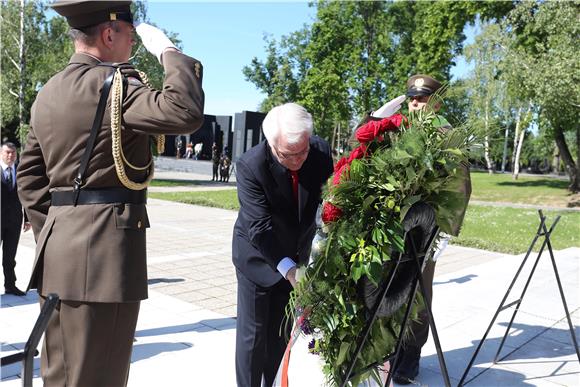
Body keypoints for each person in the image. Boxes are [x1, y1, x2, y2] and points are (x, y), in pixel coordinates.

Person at [16, 1, 204, 385]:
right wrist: (170, 52)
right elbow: (184, 112)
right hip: (105, 259)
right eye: (131, 37)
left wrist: (59, 232)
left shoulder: (47, 92)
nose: (133, 44)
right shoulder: (118, 86)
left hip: (58, 256)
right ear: (108, 34)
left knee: (61, 375)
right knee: (99, 376)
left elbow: (30, 179)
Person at [233, 103, 333, 387]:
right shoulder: (251, 166)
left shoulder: (320, 152)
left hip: (297, 254)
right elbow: (259, 229)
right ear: (271, 143)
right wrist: (289, 271)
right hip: (259, 258)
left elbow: (328, 204)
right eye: (290, 155)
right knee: (253, 338)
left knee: (282, 332)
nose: (299, 159)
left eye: (303, 150)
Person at [392, 74, 472, 385]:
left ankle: (410, 355)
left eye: (422, 98)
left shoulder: (446, 135)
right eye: (412, 97)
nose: (414, 102)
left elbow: (460, 186)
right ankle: (391, 348)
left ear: (435, 102)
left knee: (418, 295)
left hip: (426, 232)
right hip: (395, 228)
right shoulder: (398, 130)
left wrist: (447, 233)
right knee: (391, 291)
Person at [1, 142, 31, 296]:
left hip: (14, 220)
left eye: (13, 153)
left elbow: (26, 195)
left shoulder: (20, 171)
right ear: (1, 153)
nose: (10, 155)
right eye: (7, 152)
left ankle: (10, 285)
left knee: (10, 256)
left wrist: (28, 218)